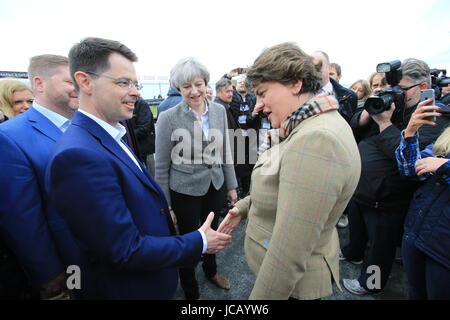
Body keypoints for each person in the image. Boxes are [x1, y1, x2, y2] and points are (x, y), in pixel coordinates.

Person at [45, 37, 232, 300]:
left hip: (158, 264)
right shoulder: (77, 155)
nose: (135, 92)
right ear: (85, 81)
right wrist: (197, 239)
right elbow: (122, 249)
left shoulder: (111, 135)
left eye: (135, 83)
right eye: (123, 82)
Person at [218, 42, 361, 300]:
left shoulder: (316, 140)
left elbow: (289, 252)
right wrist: (245, 206)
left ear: (296, 84)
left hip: (292, 287)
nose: (257, 106)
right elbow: (288, 187)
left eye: (263, 93)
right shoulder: (307, 124)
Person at [341, 58, 450, 295]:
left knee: (380, 250)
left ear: (422, 88)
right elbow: (355, 127)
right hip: (362, 191)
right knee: (358, 236)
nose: (394, 94)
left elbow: (407, 159)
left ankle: (371, 284)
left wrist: (384, 124)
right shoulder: (393, 107)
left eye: (400, 89)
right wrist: (369, 114)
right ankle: (353, 253)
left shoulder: (432, 115)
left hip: (388, 201)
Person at [155, 57, 238, 300]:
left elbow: (225, 152)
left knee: (213, 232)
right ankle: (191, 291)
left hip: (215, 185)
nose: (194, 91)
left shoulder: (219, 111)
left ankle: (211, 271)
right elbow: (161, 165)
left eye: (198, 84)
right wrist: (167, 204)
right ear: (178, 89)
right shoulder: (168, 117)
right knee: (189, 242)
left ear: (206, 83)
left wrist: (231, 185)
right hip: (184, 191)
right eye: (186, 86)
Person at [0, 55, 79, 299]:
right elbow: (22, 217)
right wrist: (48, 274)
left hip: (103, 256)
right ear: (40, 83)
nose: (79, 88)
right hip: (66, 263)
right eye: (70, 81)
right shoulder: (9, 136)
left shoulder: (83, 124)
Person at [395, 100, 450, 299]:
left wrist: (445, 166)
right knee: (415, 292)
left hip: (443, 250)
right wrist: (410, 133)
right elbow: (411, 170)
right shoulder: (447, 135)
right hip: (418, 232)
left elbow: (439, 166)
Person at [312, 51, 357, 125]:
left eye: (318, 66)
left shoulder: (349, 96)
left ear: (328, 67)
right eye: (311, 67)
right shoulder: (300, 93)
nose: (314, 70)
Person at [131, 96, 156, 175]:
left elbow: (145, 127)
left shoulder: (141, 104)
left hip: (146, 148)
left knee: (152, 175)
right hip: (133, 147)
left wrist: (127, 135)